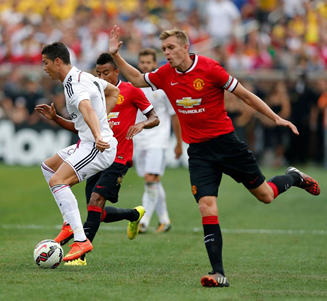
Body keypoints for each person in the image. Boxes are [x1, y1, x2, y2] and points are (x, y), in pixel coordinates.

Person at [108, 26, 320, 287]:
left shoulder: (210, 68)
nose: (167, 53)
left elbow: (244, 95)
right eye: (164, 49)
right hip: (198, 152)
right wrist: (116, 56)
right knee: (206, 206)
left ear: (186, 47)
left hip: (227, 145)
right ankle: (218, 273)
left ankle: (293, 177)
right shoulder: (165, 74)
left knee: (265, 195)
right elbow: (138, 79)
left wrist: (275, 117)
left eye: (171, 48)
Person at [36, 52, 160, 266]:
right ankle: (133, 214)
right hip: (93, 148)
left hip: (116, 155)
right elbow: (80, 126)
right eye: (99, 73)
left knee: (93, 201)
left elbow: (153, 117)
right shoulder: (91, 86)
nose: (102, 77)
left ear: (116, 72)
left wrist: (136, 125)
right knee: (96, 212)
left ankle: (81, 251)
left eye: (106, 73)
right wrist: (56, 118)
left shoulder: (128, 91)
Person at [39, 42, 120, 262]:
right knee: (48, 166)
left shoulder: (73, 84)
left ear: (57, 61)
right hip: (87, 142)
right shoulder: (86, 77)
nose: (44, 68)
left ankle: (81, 239)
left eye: (45, 62)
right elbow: (114, 91)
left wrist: (98, 135)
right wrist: (101, 120)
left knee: (58, 182)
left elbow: (87, 109)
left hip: (97, 147)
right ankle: (68, 223)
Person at [132, 48, 183, 234]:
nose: (145, 65)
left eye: (149, 62)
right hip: (140, 140)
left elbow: (174, 115)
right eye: (142, 62)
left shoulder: (162, 88)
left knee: (150, 178)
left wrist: (178, 142)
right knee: (154, 181)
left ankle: (143, 221)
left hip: (158, 139)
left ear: (155, 64)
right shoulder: (134, 86)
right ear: (139, 63)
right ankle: (164, 220)